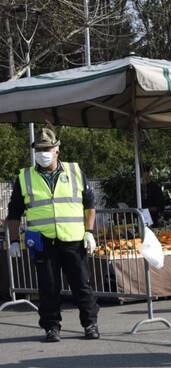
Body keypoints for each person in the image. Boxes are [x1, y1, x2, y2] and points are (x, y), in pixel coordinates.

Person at [6, 127, 100, 342]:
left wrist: (89, 232)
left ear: (57, 149)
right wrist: (13, 240)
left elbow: (90, 205)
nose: (43, 153)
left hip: (73, 240)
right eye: (39, 149)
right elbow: (14, 213)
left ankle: (90, 324)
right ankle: (51, 327)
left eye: (47, 148)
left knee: (81, 285)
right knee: (48, 288)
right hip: (42, 242)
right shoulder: (25, 177)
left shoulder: (75, 171)